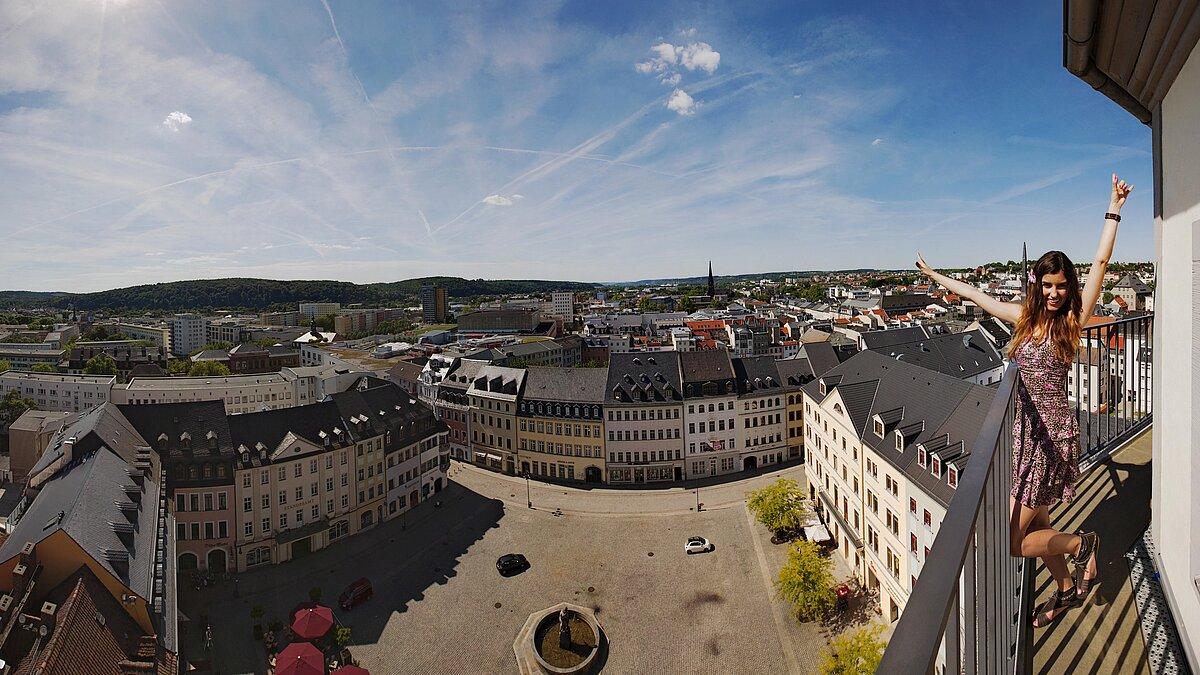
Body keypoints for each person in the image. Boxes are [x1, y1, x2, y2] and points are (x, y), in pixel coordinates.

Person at [915, 173, 1133, 628]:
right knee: (1036, 526)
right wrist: (936, 276)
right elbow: (977, 294)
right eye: (1047, 285)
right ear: (1037, 284)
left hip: (1051, 438)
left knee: (1015, 541)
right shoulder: (1022, 317)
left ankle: (1081, 546)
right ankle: (1069, 589)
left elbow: (1101, 260)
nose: (1053, 293)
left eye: (1060, 285)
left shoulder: (1073, 321)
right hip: (1024, 435)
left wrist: (1114, 207)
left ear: (1068, 287)